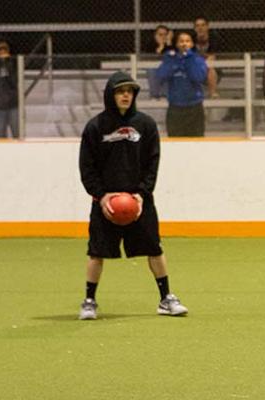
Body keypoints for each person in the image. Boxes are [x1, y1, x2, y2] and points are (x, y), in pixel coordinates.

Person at [78, 71, 188, 320]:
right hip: (105, 203)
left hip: (139, 201)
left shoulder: (146, 125)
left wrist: (141, 194)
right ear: (110, 94)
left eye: (129, 91)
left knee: (155, 248)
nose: (125, 95)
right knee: (96, 252)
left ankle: (166, 298)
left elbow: (152, 163)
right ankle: (89, 301)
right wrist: (102, 196)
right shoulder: (95, 127)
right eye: (120, 91)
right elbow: (87, 168)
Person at [156, 31, 208, 137]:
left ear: (192, 44)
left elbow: (198, 77)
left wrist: (188, 59)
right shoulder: (170, 58)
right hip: (175, 108)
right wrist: (171, 62)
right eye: (181, 41)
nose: (184, 44)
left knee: (196, 142)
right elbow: (161, 76)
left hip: (194, 107)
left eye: (187, 41)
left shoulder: (197, 59)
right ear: (177, 44)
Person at [193, 16, 220, 99]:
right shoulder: (191, 39)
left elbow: (212, 56)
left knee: (210, 67)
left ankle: (213, 94)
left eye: (203, 25)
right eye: (197, 26)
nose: (200, 28)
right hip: (196, 66)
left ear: (207, 26)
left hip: (212, 67)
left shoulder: (214, 38)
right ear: (194, 28)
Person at [144, 25, 173, 99]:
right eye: (160, 34)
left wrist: (169, 44)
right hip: (154, 69)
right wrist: (161, 47)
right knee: (152, 70)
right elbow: (150, 60)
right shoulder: (150, 45)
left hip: (167, 69)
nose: (163, 37)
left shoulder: (171, 45)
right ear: (155, 35)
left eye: (165, 34)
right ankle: (154, 96)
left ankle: (164, 95)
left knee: (168, 69)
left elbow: (172, 58)